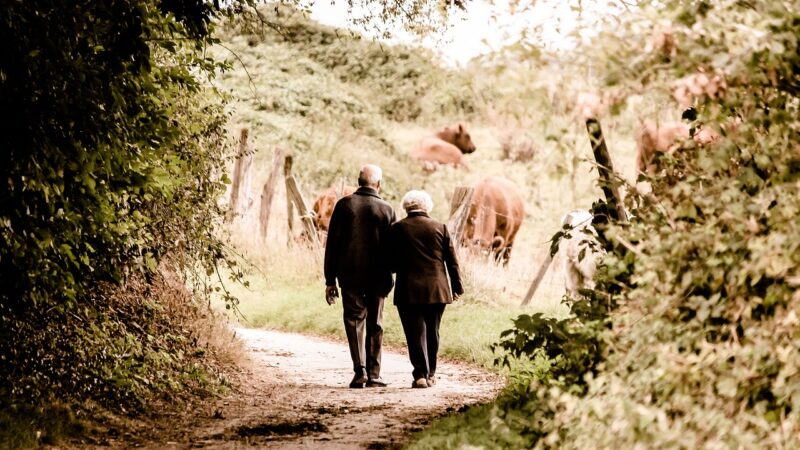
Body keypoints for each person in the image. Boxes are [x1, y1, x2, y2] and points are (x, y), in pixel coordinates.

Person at [324, 164, 396, 388]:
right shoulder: (387, 209)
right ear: (378, 184)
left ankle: (360, 371)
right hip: (379, 276)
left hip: (350, 275)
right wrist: (392, 273)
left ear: (359, 181)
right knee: (375, 323)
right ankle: (375, 374)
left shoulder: (344, 205)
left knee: (354, 321)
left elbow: (332, 245)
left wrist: (330, 280)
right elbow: (394, 248)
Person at [389, 190, 463, 389]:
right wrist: (457, 287)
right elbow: (452, 262)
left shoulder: (397, 228)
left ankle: (420, 374)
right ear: (427, 206)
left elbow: (391, 263)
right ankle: (431, 374)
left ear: (406, 206)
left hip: (408, 290)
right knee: (433, 331)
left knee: (414, 333)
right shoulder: (441, 227)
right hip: (437, 289)